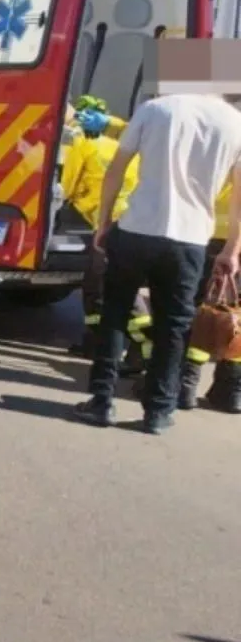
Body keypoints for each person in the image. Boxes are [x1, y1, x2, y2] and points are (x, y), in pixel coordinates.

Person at [71, 93, 241, 433]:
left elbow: (116, 170)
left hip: (136, 230)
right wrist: (232, 249)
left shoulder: (154, 109)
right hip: (190, 240)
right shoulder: (235, 123)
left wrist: (103, 223)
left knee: (114, 315)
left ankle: (102, 402)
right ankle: (159, 411)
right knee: (173, 328)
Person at [61, 95, 150, 362]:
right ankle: (96, 343)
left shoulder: (82, 143)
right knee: (95, 283)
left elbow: (67, 186)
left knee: (110, 284)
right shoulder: (123, 145)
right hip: (132, 218)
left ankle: (146, 346)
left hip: (107, 220)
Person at [181, 176, 241, 413]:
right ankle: (231, 392)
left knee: (201, 314)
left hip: (216, 237)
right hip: (222, 238)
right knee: (234, 319)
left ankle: (185, 386)